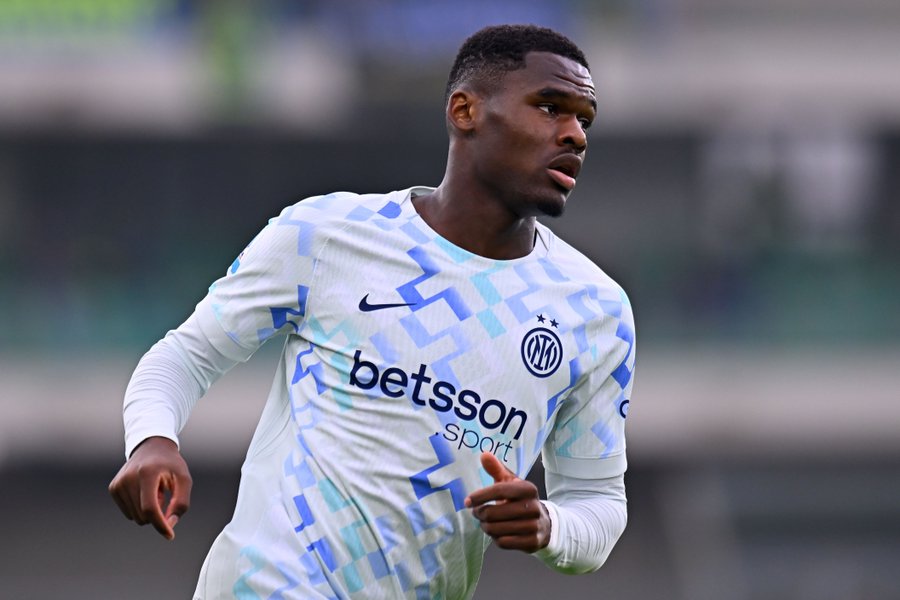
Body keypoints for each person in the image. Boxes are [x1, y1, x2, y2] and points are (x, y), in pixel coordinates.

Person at [109, 23, 636, 599]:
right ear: (465, 111)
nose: (574, 135)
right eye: (550, 107)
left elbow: (598, 502)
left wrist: (549, 525)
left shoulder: (594, 310)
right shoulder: (328, 234)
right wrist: (152, 439)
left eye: (584, 120)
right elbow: (183, 357)